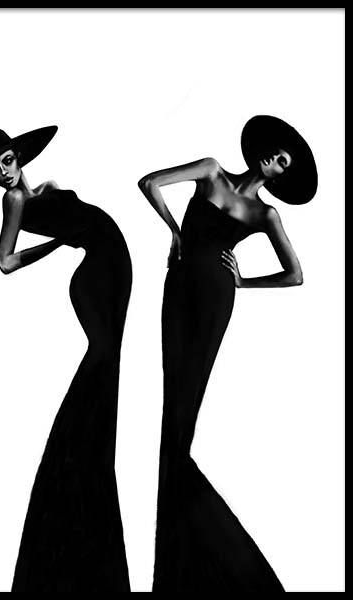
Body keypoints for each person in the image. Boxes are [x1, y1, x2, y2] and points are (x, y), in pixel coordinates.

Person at [137, 115, 317, 592]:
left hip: (216, 298)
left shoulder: (265, 216)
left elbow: (295, 274)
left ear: (281, 176)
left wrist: (244, 282)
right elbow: (149, 182)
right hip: (177, 288)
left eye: (283, 163)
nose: (274, 161)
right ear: (261, 148)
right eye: (276, 151)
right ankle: (174, 564)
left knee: (182, 419)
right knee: (169, 415)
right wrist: (175, 231)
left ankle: (205, 564)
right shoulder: (211, 170)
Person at [0, 125, 132, 592]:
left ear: (17, 157)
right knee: (102, 358)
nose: (3, 173)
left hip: (112, 263)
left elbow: (75, 213)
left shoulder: (41, 188)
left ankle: (89, 459)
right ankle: (76, 465)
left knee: (108, 363)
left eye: (7, 162)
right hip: (92, 275)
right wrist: (54, 244)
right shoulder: (13, 202)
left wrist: (58, 198)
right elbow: (5, 261)